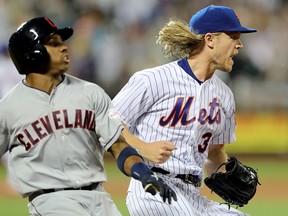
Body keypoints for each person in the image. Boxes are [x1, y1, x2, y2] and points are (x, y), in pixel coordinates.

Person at [0, 17, 177, 216]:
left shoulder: (91, 93)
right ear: (31, 53)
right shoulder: (8, 109)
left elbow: (117, 145)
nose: (64, 48)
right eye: (54, 44)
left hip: (100, 200)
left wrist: (143, 173)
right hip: (51, 203)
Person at [112, 5, 257, 216]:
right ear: (210, 39)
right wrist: (142, 146)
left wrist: (226, 173)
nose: (240, 45)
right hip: (153, 186)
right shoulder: (153, 79)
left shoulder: (224, 95)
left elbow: (214, 151)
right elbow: (106, 120)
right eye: (234, 36)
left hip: (192, 192)